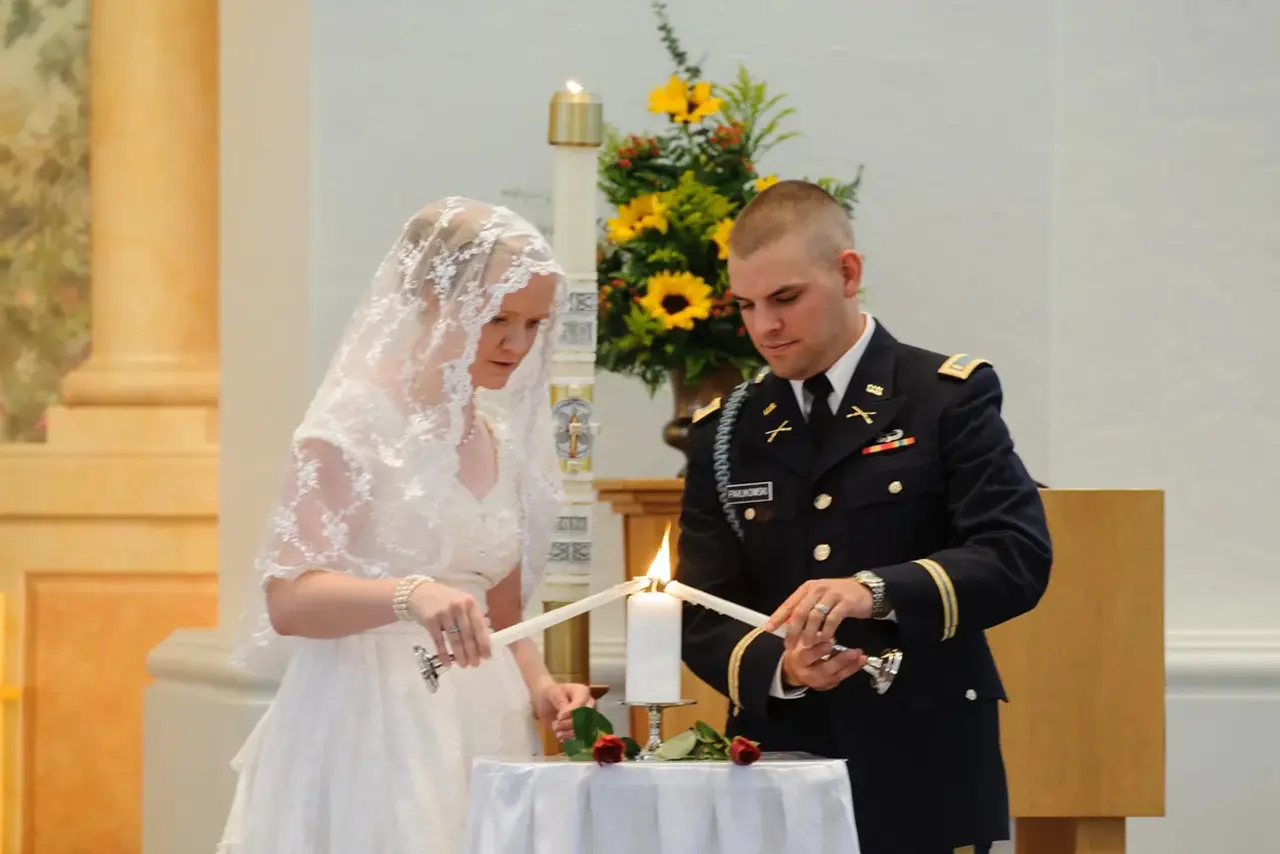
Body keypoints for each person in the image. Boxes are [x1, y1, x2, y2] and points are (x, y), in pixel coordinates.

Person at [677, 180, 1052, 854]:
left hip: (922, 766)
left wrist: (873, 590)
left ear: (848, 273)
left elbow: (1014, 554)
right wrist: (784, 669)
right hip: (779, 771)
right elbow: (701, 610)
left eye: (786, 299)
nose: (765, 326)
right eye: (747, 306)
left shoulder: (942, 399)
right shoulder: (726, 431)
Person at [218, 198, 594, 854]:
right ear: (429, 297)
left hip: (484, 718)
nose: (517, 344)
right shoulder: (352, 426)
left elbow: (503, 613)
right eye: (497, 318)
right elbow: (288, 600)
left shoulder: (499, 436)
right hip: (373, 719)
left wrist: (542, 687)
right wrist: (407, 593)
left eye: (533, 324)